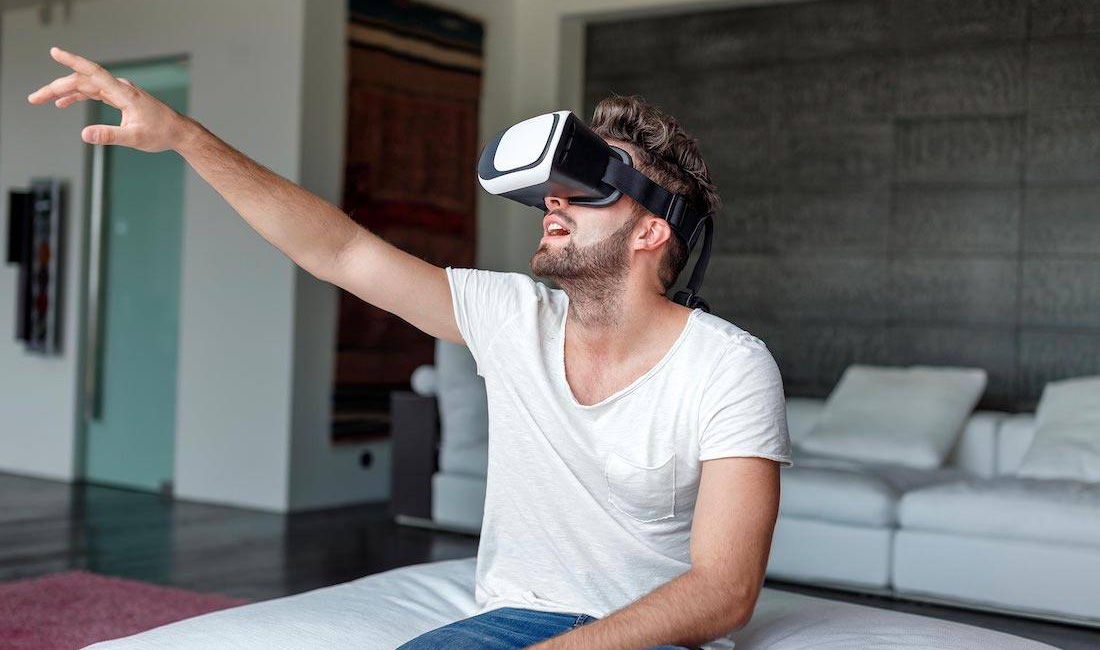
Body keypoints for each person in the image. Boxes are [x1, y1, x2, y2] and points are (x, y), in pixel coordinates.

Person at [28, 47, 791, 650]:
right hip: (510, 622)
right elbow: (339, 251)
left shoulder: (728, 368)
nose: (554, 200)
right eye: (553, 185)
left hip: (646, 639)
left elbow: (724, 591)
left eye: (588, 185)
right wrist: (184, 137)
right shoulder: (513, 317)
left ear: (653, 230)